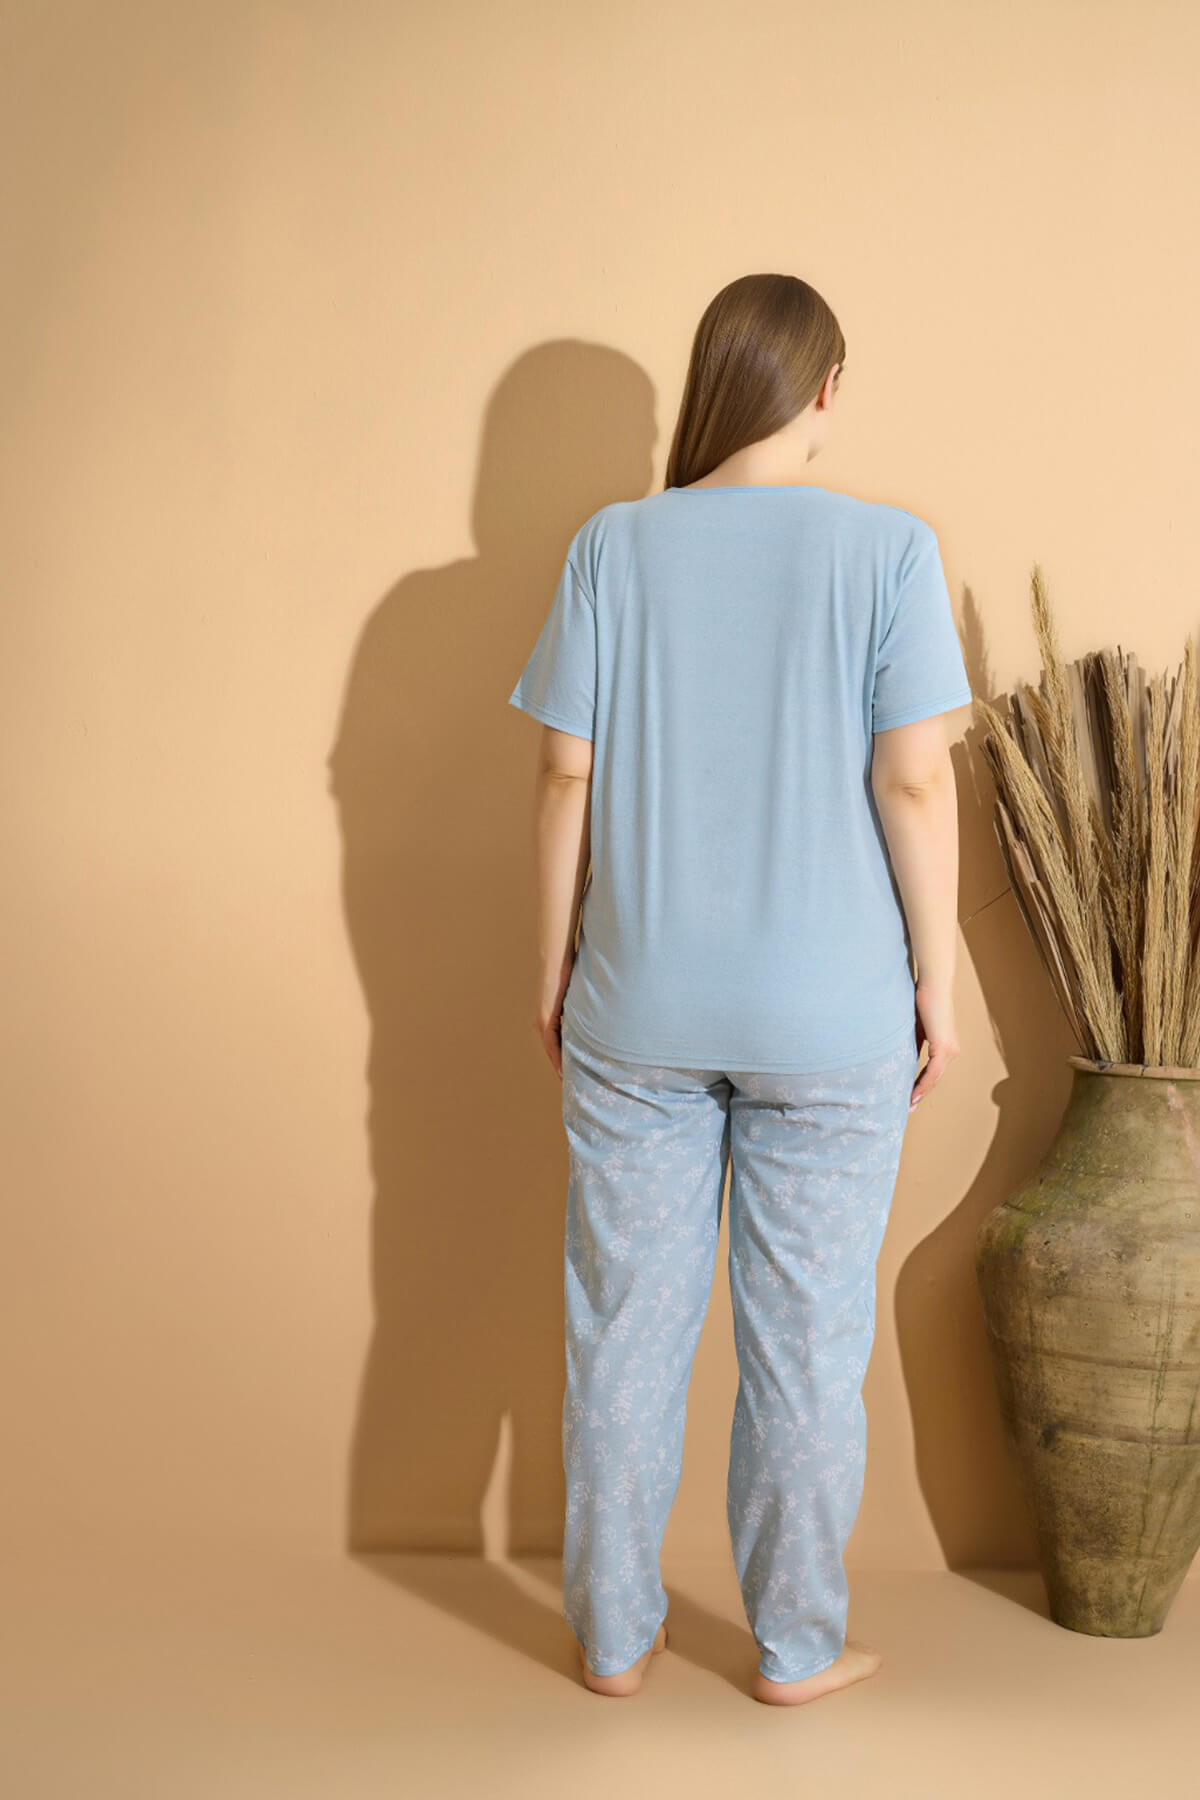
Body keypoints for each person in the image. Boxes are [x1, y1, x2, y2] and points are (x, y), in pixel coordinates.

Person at [505, 272, 969, 1705]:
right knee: (807, 1346)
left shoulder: (612, 545)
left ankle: (612, 1640)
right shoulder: (890, 550)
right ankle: (796, 1648)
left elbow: (565, 773)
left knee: (622, 1332)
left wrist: (551, 964)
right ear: (824, 388)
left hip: (636, 1006)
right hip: (830, 1021)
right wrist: (937, 985)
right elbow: (914, 782)